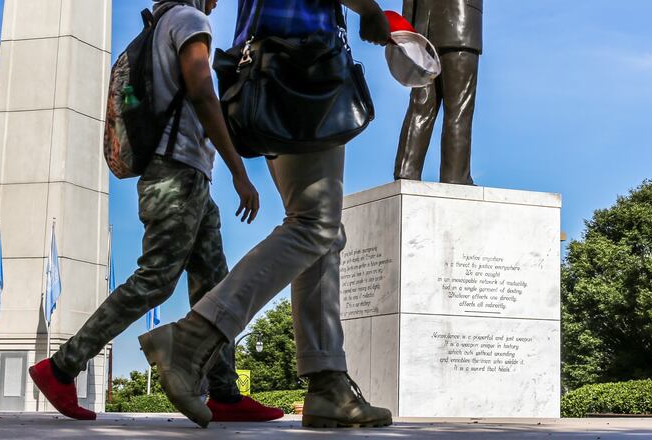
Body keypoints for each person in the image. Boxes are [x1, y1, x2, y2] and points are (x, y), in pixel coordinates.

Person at [137, 0, 393, 429]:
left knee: (321, 229)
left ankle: (327, 380)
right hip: (304, 70)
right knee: (315, 225)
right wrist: (369, 10)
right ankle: (192, 337)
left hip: (266, 72)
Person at [29, 0, 283, 423]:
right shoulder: (189, 20)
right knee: (155, 280)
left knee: (214, 287)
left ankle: (223, 393)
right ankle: (61, 367)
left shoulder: (161, 24)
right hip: (176, 176)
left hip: (187, 178)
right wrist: (240, 171)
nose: (218, 1)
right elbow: (202, 92)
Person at [394, 0, 483, 185]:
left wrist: (406, 31)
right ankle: (456, 177)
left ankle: (406, 170)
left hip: (423, 31)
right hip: (461, 27)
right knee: (459, 110)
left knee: (420, 106)